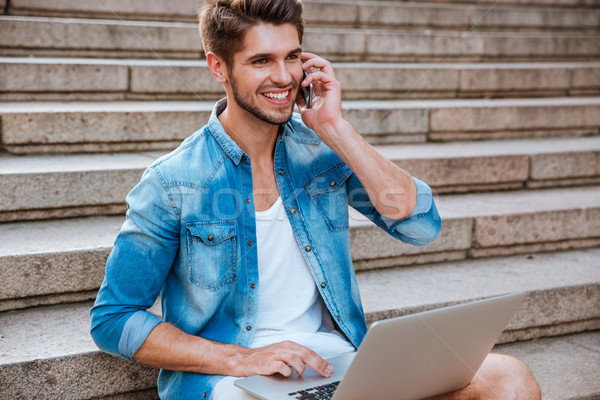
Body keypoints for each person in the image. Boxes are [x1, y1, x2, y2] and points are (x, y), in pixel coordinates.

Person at [90, 0, 541, 399]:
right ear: (218, 67)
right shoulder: (173, 182)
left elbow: (420, 224)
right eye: (262, 60)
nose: (283, 77)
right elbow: (113, 319)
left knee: (511, 380)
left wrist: (335, 130)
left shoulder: (321, 154)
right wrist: (240, 360)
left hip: (336, 365)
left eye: (292, 57)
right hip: (232, 382)